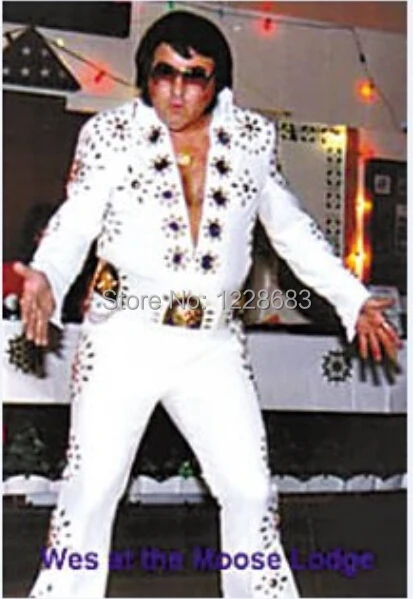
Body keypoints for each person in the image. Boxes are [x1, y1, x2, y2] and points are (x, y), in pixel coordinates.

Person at [14, 10, 401, 599]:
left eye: (194, 76)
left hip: (212, 345)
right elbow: (76, 221)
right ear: (145, 75)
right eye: (164, 73)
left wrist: (352, 299)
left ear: (217, 82)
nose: (176, 90)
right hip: (123, 336)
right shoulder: (110, 135)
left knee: (250, 490)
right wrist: (47, 275)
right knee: (90, 491)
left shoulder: (252, 140)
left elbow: (292, 232)